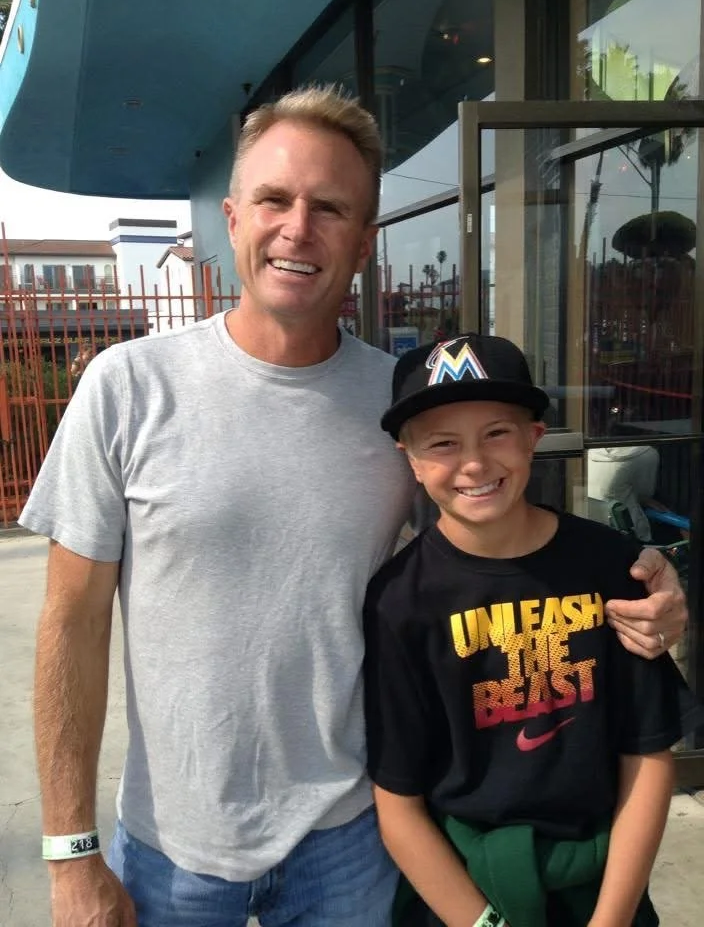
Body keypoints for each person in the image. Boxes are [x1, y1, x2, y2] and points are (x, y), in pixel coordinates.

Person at [20, 86, 687, 927]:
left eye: (330, 208)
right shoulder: (126, 389)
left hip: (354, 840)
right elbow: (69, 628)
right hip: (174, 852)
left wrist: (643, 586)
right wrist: (70, 851)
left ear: (364, 243)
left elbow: (500, 547)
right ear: (231, 218)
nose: (299, 228)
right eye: (274, 199)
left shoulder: (404, 407)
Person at [363, 334, 702, 927]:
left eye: (496, 432)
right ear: (410, 459)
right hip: (465, 885)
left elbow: (647, 756)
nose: (473, 463)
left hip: (600, 880)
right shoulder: (400, 600)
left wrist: (612, 919)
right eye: (443, 443)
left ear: (534, 438)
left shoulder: (609, 566)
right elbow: (398, 802)